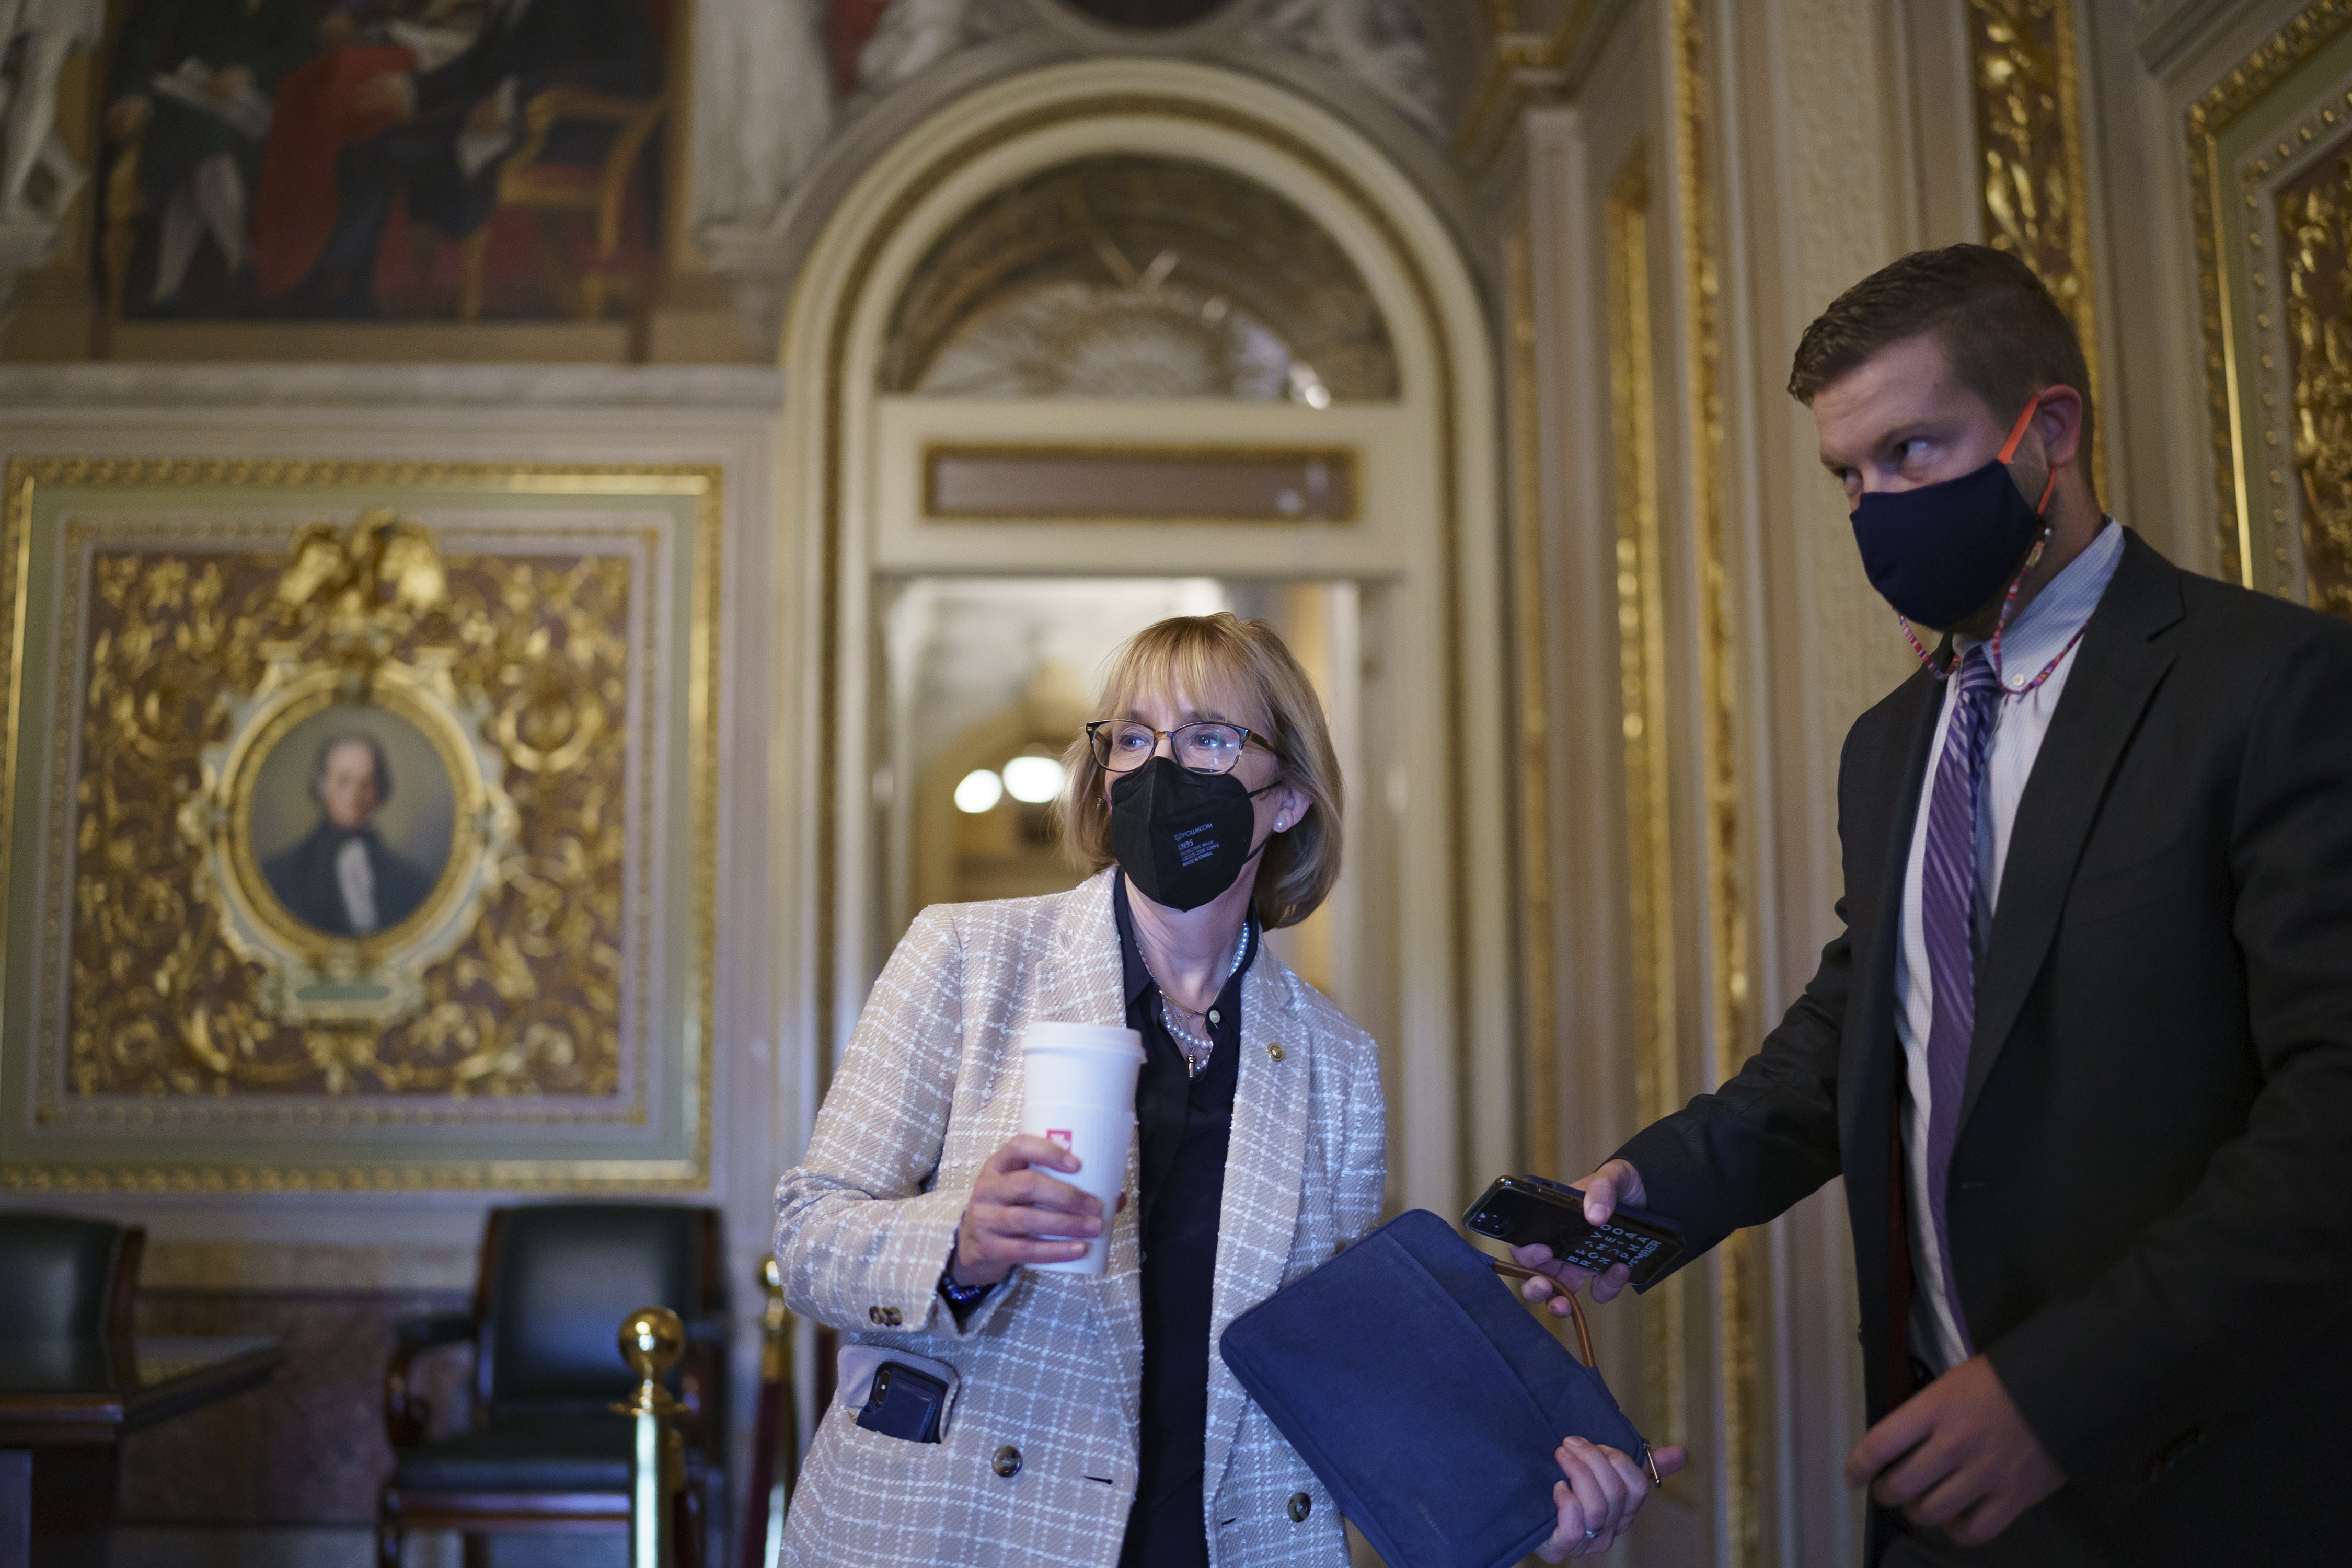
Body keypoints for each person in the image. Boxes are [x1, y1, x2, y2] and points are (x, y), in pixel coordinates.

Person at [1515, 244, 2352, 1566]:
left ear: (2048, 432)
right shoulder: (1889, 739)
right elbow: (1865, 1022)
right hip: (1936, 1499)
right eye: (1845, 475)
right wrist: (1646, 1193)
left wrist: (2054, 1393)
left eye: (1909, 450)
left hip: (2196, 1477)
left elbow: (2331, 1119)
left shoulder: (2270, 688)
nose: (1874, 505)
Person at [776, 614, 1676, 1568]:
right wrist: (959, 1243)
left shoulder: (1336, 1062)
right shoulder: (967, 958)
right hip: (959, 1531)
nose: (1160, 768)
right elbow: (808, 1237)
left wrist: (1527, 1495)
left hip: (1215, 1541)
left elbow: (1325, 1361)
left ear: (1287, 798)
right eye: (1132, 737)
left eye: (1208, 737)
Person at [290, 0, 658, 317]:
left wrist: (518, 98)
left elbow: (639, 73)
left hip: (563, 136)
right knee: (365, 151)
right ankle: (353, 294)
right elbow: (481, 64)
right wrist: (412, 89)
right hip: (502, 131)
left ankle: (323, 285)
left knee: (391, 155)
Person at [262, 733, 434, 935]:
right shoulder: (280, 876)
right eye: (344, 781)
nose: (355, 795)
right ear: (322, 786)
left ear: (380, 791)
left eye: (367, 783)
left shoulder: (412, 882)